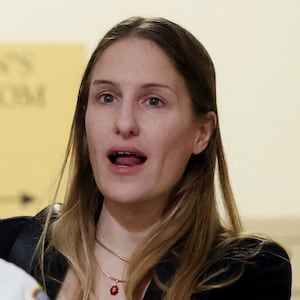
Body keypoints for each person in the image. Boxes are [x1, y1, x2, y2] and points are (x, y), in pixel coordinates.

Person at [0, 16, 292, 300]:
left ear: (201, 133)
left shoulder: (246, 273)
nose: (125, 123)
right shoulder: (11, 251)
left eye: (153, 101)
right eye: (107, 97)